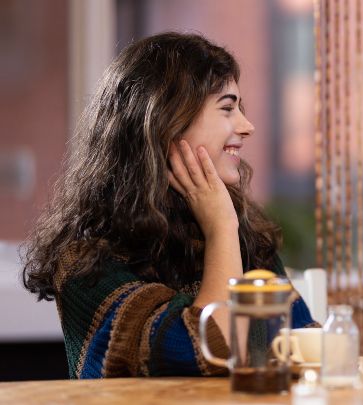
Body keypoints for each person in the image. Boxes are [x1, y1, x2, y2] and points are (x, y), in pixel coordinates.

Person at [22, 32, 316, 378]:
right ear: (168, 122)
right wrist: (221, 230)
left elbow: (306, 343)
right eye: (227, 108)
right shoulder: (87, 262)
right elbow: (212, 349)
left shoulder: (247, 239)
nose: (246, 126)